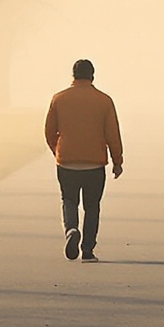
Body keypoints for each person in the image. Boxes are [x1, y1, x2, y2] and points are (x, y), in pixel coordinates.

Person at [44, 58, 123, 261]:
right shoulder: (104, 101)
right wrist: (117, 160)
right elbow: (112, 134)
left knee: (69, 200)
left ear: (73, 75)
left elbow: (49, 131)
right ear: (92, 76)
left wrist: (58, 151)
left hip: (67, 161)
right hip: (94, 163)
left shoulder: (59, 99)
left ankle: (71, 229)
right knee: (92, 206)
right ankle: (88, 250)